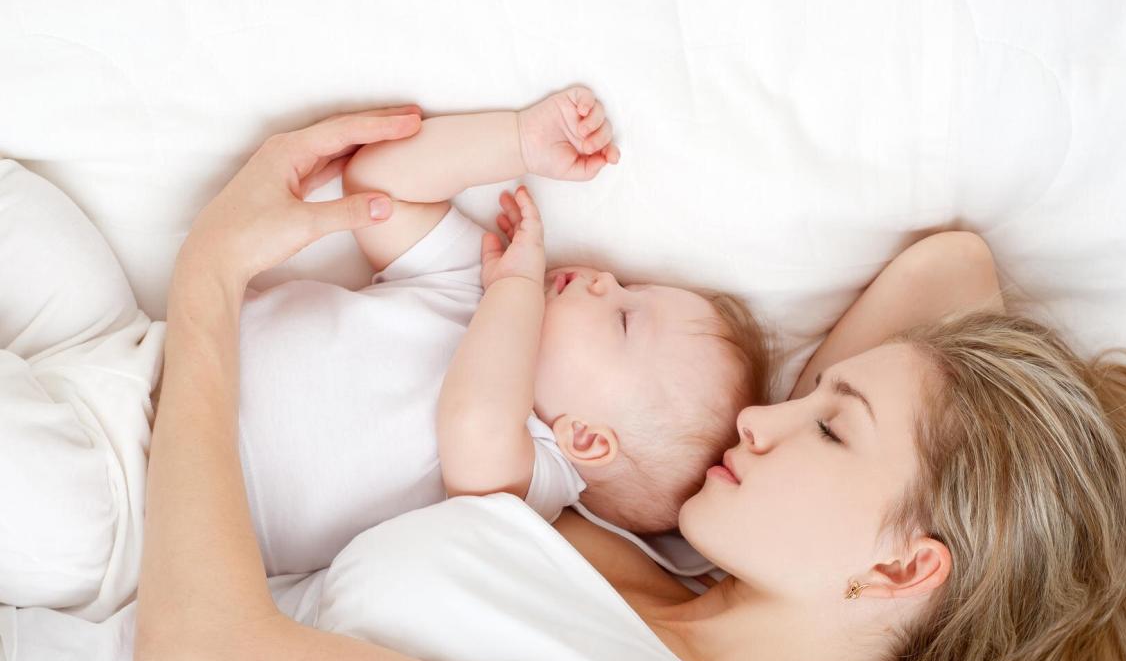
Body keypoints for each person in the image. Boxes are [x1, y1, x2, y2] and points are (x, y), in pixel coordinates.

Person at [0, 105, 1126, 661]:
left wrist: (208, 287)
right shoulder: (651, 568)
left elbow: (197, 659)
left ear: (901, 571)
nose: (762, 422)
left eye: (827, 425)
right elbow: (954, 268)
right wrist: (947, 451)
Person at [240, 86, 770, 576]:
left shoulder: (531, 478)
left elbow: (473, 422)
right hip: (180, 355)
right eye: (630, 284)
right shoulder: (480, 281)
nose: (606, 280)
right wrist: (519, 140)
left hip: (196, 506)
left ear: (583, 437)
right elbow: (377, 187)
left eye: (624, 318)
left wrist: (513, 289)